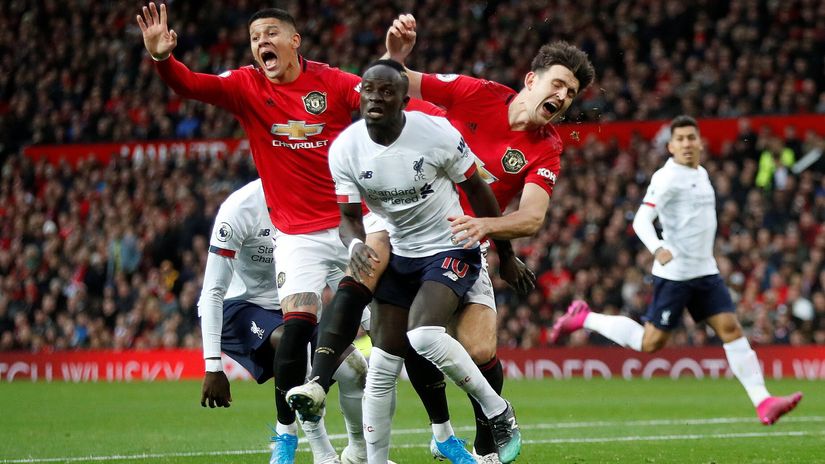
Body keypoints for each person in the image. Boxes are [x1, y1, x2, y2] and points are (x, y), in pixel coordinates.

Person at [137, 4, 389, 463]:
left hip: (344, 227)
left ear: (295, 41)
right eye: (254, 37)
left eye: (271, 33)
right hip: (253, 300)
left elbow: (379, 97)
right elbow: (194, 85)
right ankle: (294, 442)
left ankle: (361, 452)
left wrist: (409, 87)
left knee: (360, 360)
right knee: (295, 340)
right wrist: (163, 61)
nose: (261, 43)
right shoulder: (239, 200)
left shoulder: (330, 82)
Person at [328, 60, 532, 464]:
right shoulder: (345, 149)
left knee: (422, 337)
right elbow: (349, 219)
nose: (375, 97)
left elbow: (478, 190)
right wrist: (354, 247)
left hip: (450, 245)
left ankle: (497, 410)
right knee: (383, 364)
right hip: (401, 253)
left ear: (405, 99)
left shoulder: (436, 134)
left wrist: (504, 252)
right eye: (369, 89)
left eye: (386, 91)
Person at [550, 115, 803, 426]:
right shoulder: (666, 178)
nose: (686, 144)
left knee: (731, 330)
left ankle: (763, 401)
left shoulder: (703, 173)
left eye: (691, 138)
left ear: (700, 143)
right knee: (650, 343)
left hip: (706, 272)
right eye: (680, 139)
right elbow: (641, 220)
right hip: (676, 275)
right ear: (670, 146)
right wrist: (658, 248)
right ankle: (583, 317)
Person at [197, 179, 369, 464]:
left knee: (354, 369)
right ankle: (306, 446)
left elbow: (333, 268)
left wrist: (367, 318)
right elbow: (213, 291)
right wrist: (212, 366)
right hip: (240, 307)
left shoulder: (311, 200)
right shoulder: (239, 210)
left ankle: (359, 454)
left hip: (295, 306)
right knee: (293, 339)